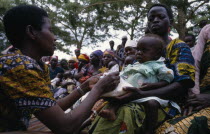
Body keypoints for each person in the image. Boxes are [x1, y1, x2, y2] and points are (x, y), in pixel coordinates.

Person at [0, 5, 120, 133]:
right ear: (31, 32)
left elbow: (52, 106)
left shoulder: (34, 63)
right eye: (50, 30)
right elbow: (65, 127)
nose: (55, 37)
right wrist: (99, 88)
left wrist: (84, 87)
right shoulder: (18, 65)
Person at [90, 4, 195, 134]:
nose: (155, 20)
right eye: (151, 18)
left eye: (161, 17)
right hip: (133, 95)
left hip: (164, 103)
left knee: (125, 111)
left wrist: (141, 95)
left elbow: (182, 85)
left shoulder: (179, 47)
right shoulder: (141, 51)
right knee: (102, 106)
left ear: (171, 22)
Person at [98, 34, 176, 134]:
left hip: (146, 93)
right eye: (138, 49)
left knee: (152, 104)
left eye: (144, 50)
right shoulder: (135, 65)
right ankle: (111, 111)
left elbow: (166, 80)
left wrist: (151, 86)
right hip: (129, 91)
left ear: (157, 54)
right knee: (115, 97)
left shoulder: (158, 65)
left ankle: (150, 130)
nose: (139, 53)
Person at [156, 24, 210, 134]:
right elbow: (196, 66)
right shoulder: (207, 30)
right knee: (164, 128)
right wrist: (194, 99)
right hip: (202, 97)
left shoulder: (179, 46)